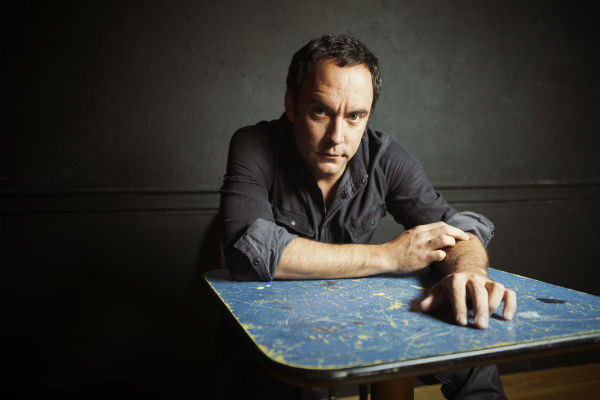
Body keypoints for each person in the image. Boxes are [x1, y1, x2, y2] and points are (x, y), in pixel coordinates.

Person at [220, 34, 516, 399]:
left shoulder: (384, 156)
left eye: (355, 116)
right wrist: (389, 256)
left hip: (357, 314)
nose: (337, 137)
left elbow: (458, 229)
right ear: (291, 105)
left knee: (467, 324)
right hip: (274, 329)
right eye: (320, 111)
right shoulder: (254, 144)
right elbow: (248, 249)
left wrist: (469, 273)